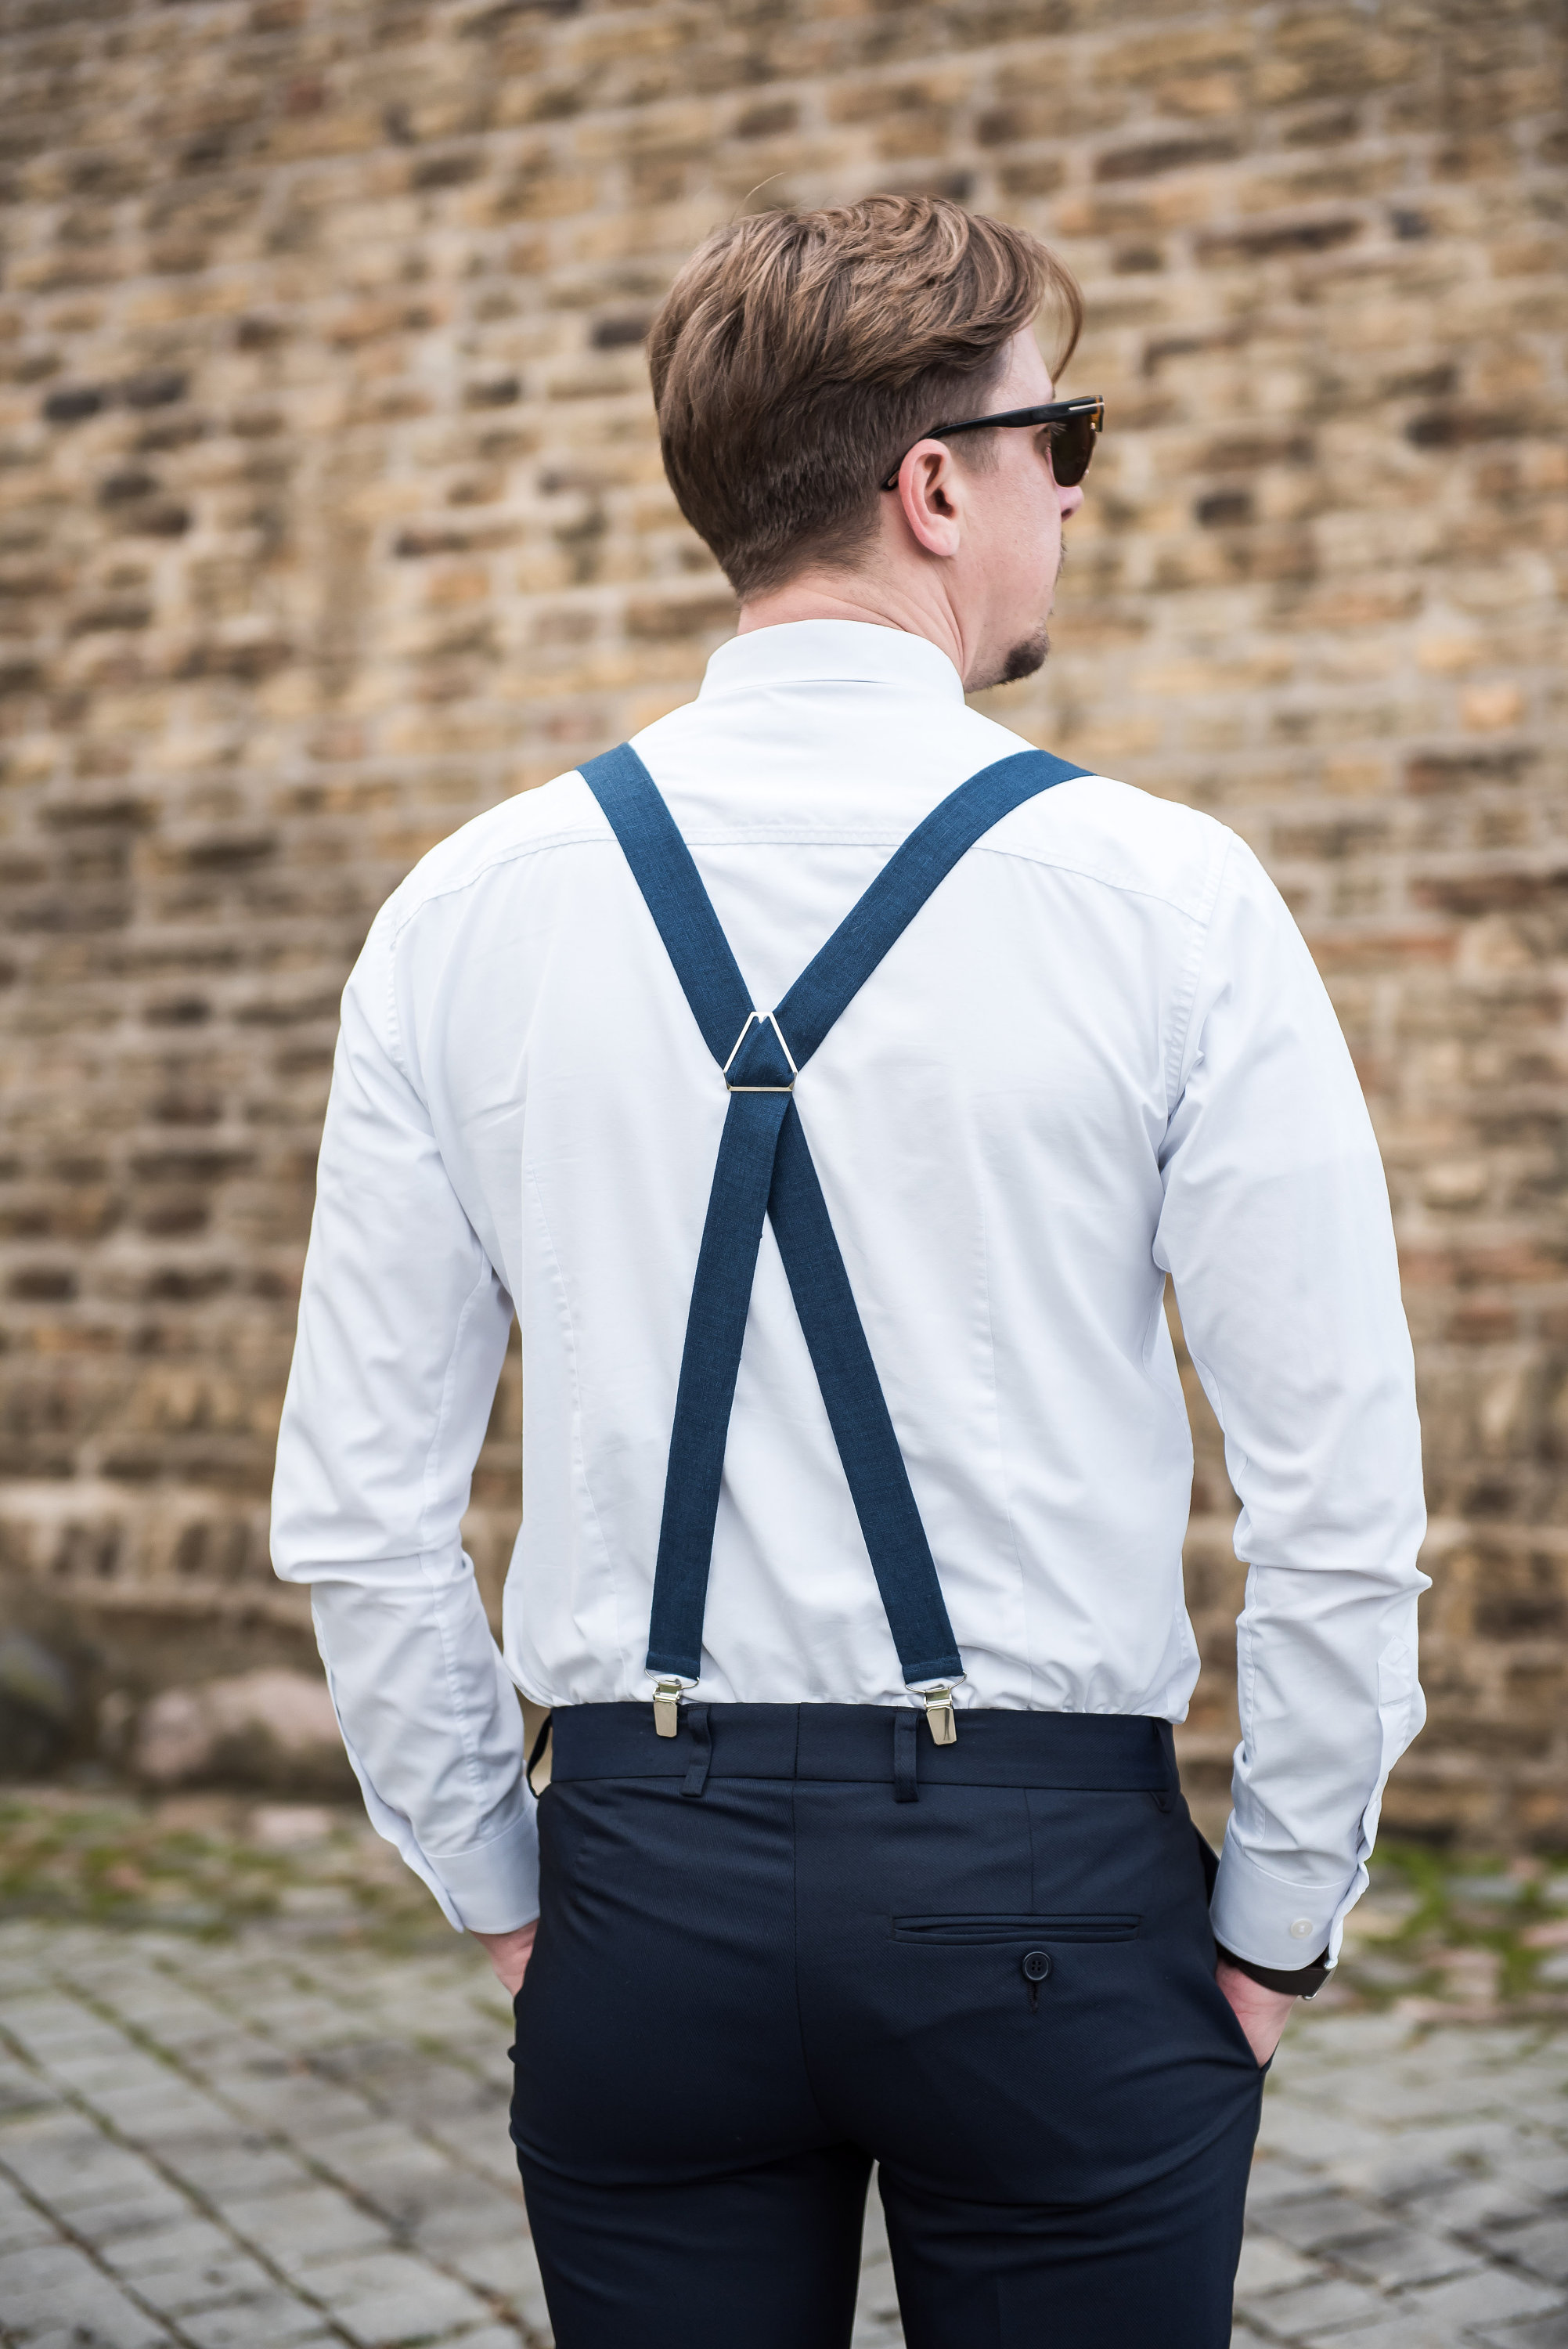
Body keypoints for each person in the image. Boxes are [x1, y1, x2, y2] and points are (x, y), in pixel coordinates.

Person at [271, 194, 1428, 2348]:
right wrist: (1278, 1925)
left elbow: (360, 1508)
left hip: (640, 1871)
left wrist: (508, 1897)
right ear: (931, 489)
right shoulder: (1164, 898)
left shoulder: (468, 908)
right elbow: (1337, 1496)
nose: (1068, 495)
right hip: (1047, 1907)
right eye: (1051, 440)